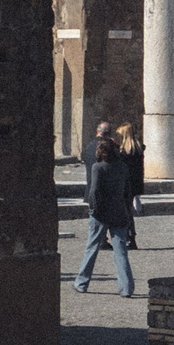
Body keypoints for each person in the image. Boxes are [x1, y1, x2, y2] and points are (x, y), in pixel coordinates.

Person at [73, 121, 135, 296]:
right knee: (121, 251)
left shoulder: (98, 167)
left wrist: (93, 209)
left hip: (101, 213)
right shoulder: (122, 167)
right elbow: (127, 192)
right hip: (119, 211)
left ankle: (82, 283)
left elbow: (94, 192)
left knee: (91, 248)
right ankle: (126, 288)